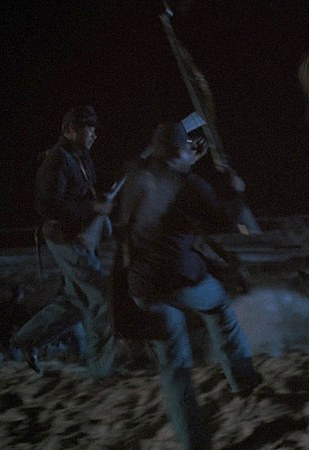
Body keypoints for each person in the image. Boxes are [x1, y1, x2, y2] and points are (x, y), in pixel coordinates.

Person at [115, 121, 261, 449]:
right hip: (178, 279)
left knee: (174, 365)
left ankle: (192, 441)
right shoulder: (190, 185)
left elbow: (163, 180)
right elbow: (226, 220)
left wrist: (184, 161)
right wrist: (235, 190)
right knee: (220, 306)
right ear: (180, 150)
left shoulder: (136, 177)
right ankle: (243, 380)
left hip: (141, 285)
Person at [12, 105, 115, 377]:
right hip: (65, 239)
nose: (94, 134)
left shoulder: (81, 157)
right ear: (70, 130)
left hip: (79, 238)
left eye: (94, 129)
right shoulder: (56, 161)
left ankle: (26, 340)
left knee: (75, 301)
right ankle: (101, 369)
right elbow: (48, 206)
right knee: (99, 299)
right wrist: (93, 208)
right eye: (88, 128)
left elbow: (81, 194)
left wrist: (98, 203)